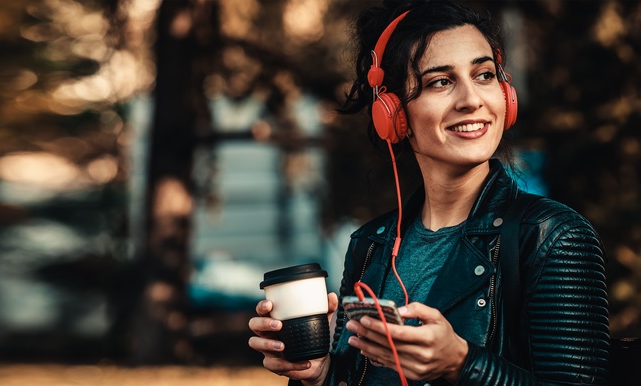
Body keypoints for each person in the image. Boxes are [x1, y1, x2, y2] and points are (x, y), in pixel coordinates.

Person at [248, 1, 610, 385]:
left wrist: (463, 364)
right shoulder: (370, 245)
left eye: (485, 75)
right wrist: (321, 376)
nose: (472, 99)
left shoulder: (552, 237)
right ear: (392, 114)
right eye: (441, 81)